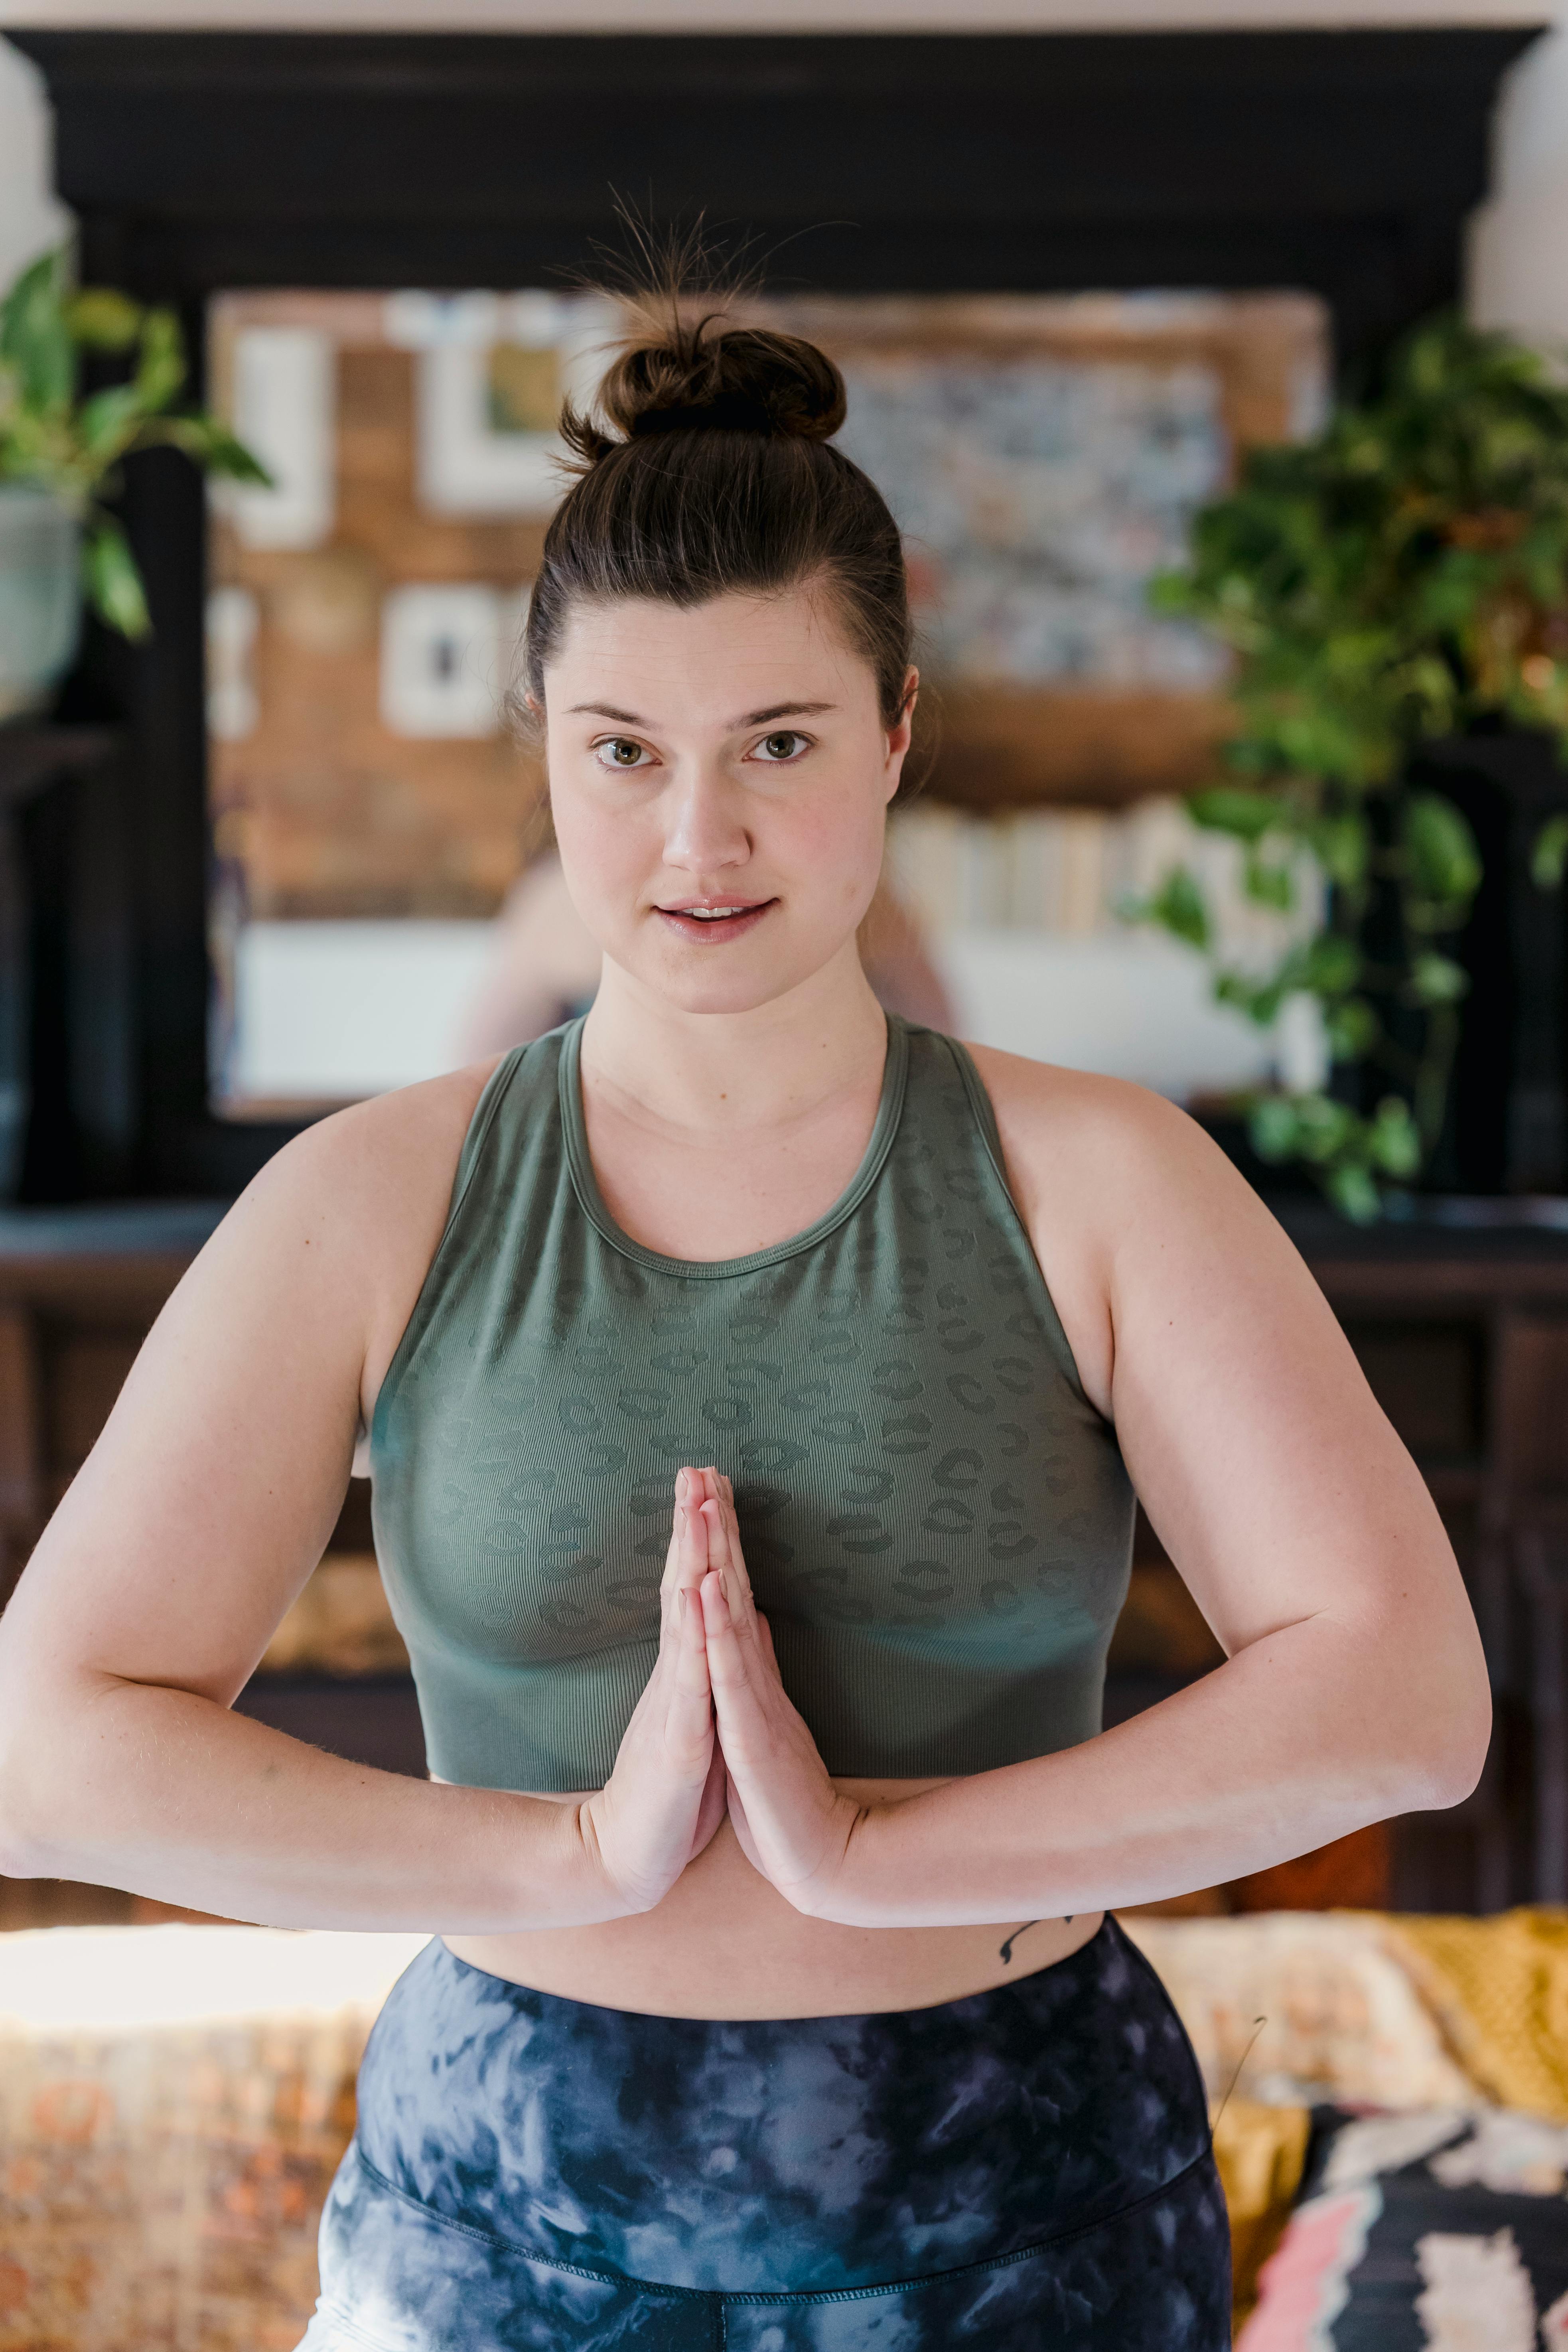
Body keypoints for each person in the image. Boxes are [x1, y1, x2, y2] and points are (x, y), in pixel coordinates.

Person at [0, 296, 1489, 2352]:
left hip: (1023, 2202)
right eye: (625, 752)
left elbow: (1408, 1697)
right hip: (502, 2221)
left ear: (893, 734)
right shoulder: (369, 1204)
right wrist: (575, 1858)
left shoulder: (1105, 1182)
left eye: (778, 745)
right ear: (546, 747)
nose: (698, 842)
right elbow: (42, 1740)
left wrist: (885, 1849)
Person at [452, 848, 953, 1058]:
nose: (700, 852)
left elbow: (937, 1032)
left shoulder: (865, 898)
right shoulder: (554, 900)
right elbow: (483, 1065)